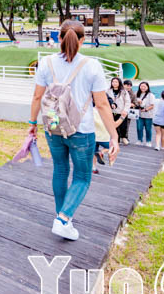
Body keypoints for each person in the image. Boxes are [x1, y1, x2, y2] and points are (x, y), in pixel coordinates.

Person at [27, 19, 119, 241]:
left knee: (60, 170)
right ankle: (63, 219)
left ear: (58, 38)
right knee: (82, 176)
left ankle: (62, 216)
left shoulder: (46, 63)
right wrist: (113, 134)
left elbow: (38, 97)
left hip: (54, 126)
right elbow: (103, 104)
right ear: (83, 40)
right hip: (82, 130)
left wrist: (32, 125)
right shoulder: (92, 65)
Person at [109, 77, 131, 145]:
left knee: (123, 126)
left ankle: (124, 138)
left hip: (121, 112)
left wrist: (125, 110)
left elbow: (127, 102)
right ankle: (116, 139)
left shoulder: (123, 91)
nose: (114, 83)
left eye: (116, 82)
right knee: (114, 126)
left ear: (119, 83)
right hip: (111, 111)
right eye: (113, 82)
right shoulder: (108, 91)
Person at [135, 81, 155, 146]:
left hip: (148, 115)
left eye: (144, 86)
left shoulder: (150, 95)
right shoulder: (137, 94)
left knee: (148, 128)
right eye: (141, 86)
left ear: (147, 87)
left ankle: (148, 141)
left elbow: (152, 105)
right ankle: (139, 140)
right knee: (139, 128)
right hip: (139, 114)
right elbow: (134, 102)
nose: (142, 88)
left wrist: (145, 109)